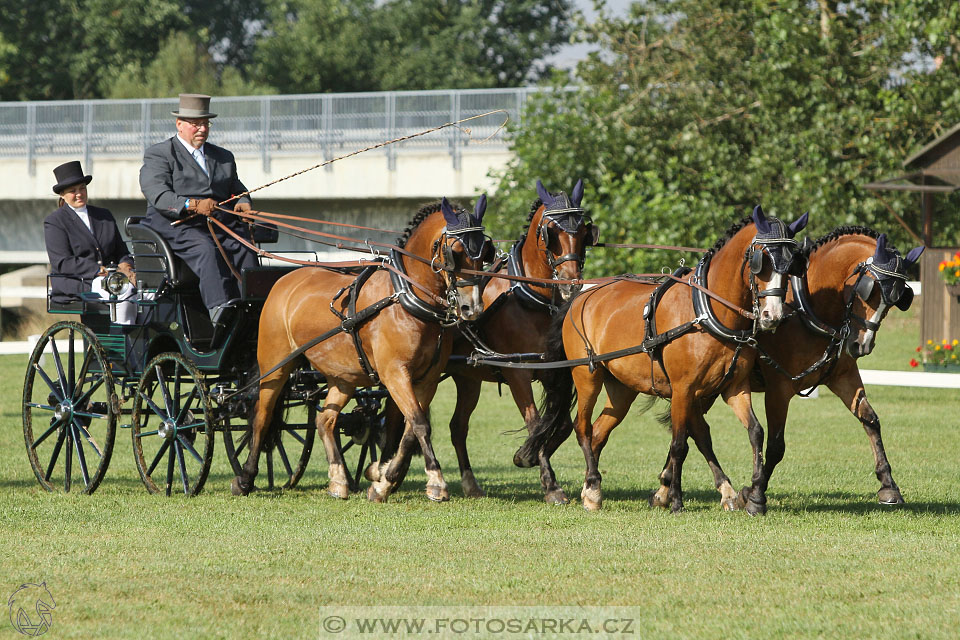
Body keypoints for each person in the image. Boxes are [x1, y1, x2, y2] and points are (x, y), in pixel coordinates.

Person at [138, 93, 258, 326]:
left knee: (245, 246)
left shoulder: (223, 157)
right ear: (179, 124)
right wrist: (191, 204)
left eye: (205, 124)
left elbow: (236, 188)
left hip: (216, 223)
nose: (201, 129)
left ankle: (254, 307)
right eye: (195, 124)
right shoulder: (160, 154)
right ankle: (219, 311)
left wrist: (244, 203)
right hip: (175, 225)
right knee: (205, 248)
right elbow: (157, 194)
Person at [44, 161, 138, 324]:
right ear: (62, 195)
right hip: (78, 280)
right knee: (125, 291)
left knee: (149, 293)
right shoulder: (55, 221)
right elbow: (62, 262)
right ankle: (125, 336)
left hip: (113, 277)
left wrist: (126, 266)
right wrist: (96, 270)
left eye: (82, 188)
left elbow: (122, 251)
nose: (79, 194)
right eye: (73, 191)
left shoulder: (104, 215)